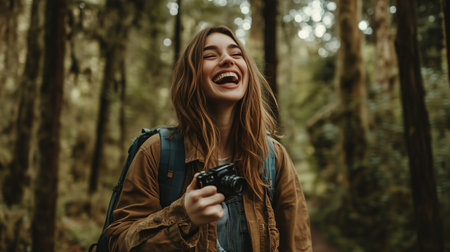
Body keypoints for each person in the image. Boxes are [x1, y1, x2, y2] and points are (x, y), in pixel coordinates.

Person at [104, 25, 312, 252]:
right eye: (210, 56)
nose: (227, 60)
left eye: (236, 54)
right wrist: (184, 215)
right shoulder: (155, 152)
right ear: (191, 77)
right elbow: (119, 243)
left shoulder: (274, 158)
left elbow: (298, 245)